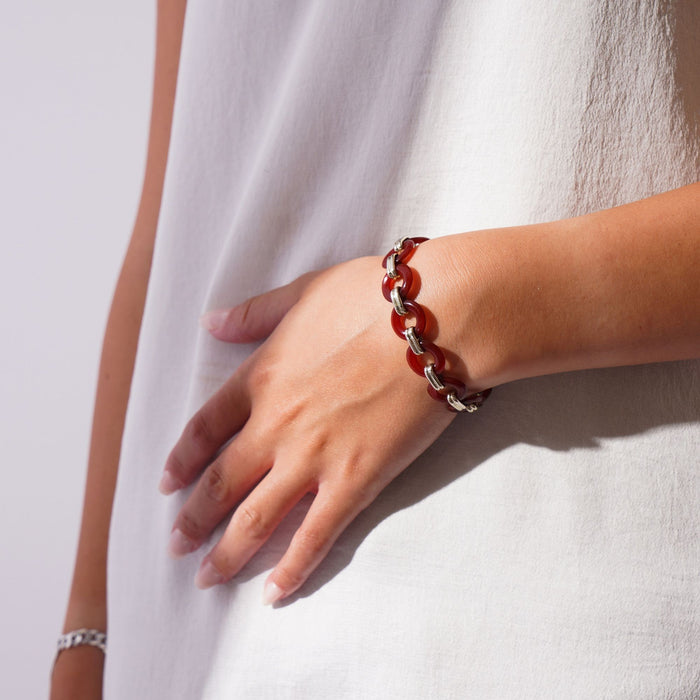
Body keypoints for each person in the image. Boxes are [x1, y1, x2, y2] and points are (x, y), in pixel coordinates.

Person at [51, 1, 700, 698]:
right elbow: (173, 216)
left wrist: (446, 314)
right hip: (190, 635)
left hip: (554, 607)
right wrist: (87, 632)